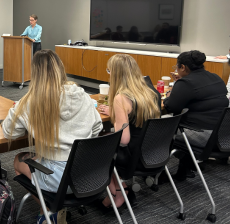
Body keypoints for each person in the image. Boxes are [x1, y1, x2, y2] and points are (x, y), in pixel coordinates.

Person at [2, 50, 103, 223]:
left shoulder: (31, 101)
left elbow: (8, 131)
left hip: (58, 178)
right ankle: (49, 211)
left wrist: (18, 106)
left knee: (18, 160)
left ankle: (50, 211)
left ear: (35, 74)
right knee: (39, 157)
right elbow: (97, 128)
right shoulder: (82, 95)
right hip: (89, 173)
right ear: (60, 69)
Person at [98, 54, 161, 210]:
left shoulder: (121, 98)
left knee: (99, 145)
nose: (109, 74)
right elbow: (137, 117)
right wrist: (117, 113)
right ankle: (122, 188)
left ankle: (117, 193)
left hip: (133, 156)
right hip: (153, 151)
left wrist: (116, 116)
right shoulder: (151, 91)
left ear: (116, 73)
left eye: (109, 70)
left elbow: (123, 140)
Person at [163, 50, 229, 180]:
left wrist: (170, 93)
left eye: (177, 67)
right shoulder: (215, 77)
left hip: (202, 135)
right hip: (222, 135)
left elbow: (171, 106)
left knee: (161, 132)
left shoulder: (186, 83)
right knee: (188, 122)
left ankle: (158, 174)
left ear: (182, 67)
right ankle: (185, 169)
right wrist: (180, 84)